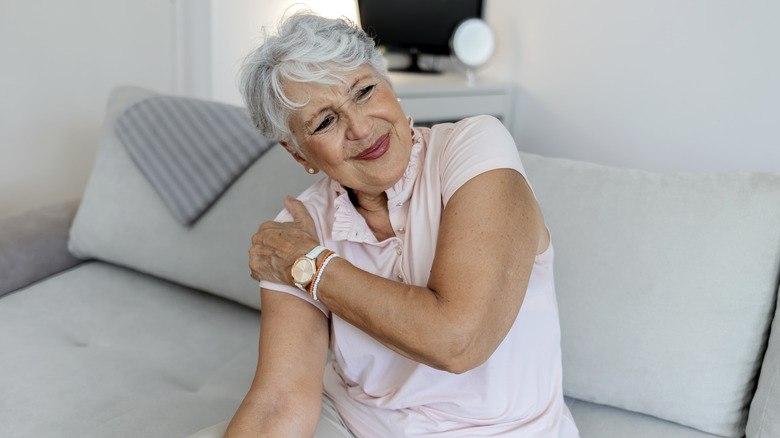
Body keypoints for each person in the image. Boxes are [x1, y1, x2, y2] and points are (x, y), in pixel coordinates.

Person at [190, 11, 579, 438]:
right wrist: (304, 258)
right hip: (351, 426)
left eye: (364, 91)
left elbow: (458, 341)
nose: (360, 127)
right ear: (298, 154)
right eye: (325, 121)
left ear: (388, 85)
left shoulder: (473, 149)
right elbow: (278, 405)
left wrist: (311, 267)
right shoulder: (299, 229)